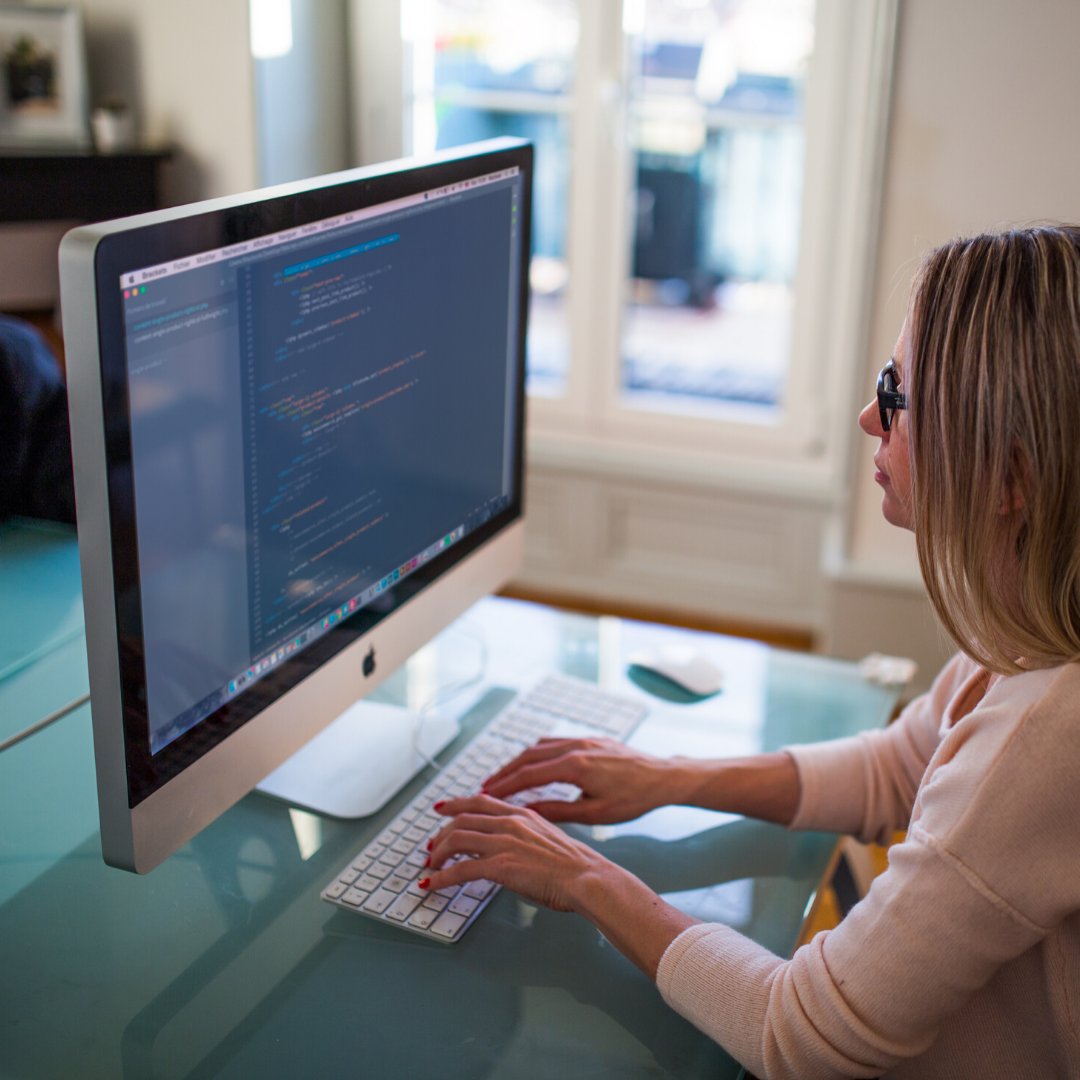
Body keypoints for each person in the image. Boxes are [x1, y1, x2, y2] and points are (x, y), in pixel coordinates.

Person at [422, 225, 1080, 1078]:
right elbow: (900, 770)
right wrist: (671, 779)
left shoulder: (1045, 734)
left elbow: (801, 1034)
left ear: (1014, 479)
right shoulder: (1036, 619)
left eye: (897, 393)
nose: (867, 417)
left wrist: (586, 878)